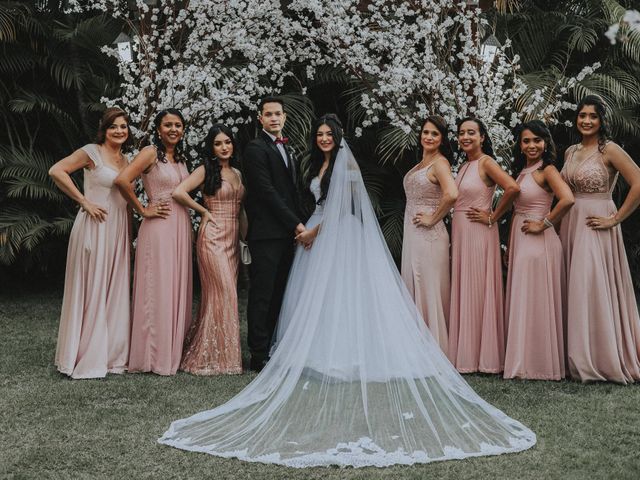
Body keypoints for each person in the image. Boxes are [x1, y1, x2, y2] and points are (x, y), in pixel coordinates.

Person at [158, 118, 536, 467]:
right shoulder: (313, 163)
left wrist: (312, 231)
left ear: (338, 138)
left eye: (329, 134)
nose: (324, 139)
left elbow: (344, 209)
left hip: (334, 235)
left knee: (340, 296)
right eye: (320, 134)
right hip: (314, 235)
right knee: (312, 299)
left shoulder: (346, 165)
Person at [560, 95, 640, 383]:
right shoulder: (570, 151)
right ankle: (574, 355)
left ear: (601, 120)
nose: (586, 121)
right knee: (574, 285)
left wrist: (615, 218)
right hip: (571, 224)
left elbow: (638, 182)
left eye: (592, 116)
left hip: (597, 223)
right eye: (582, 115)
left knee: (589, 285)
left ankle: (596, 358)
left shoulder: (610, 150)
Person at [50, 107, 132, 379]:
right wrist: (84, 201)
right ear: (104, 130)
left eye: (123, 126)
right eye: (114, 127)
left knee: (114, 288)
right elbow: (57, 170)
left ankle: (111, 354)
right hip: (96, 227)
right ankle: (85, 354)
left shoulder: (127, 159)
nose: (119, 131)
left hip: (119, 228)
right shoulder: (91, 152)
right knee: (93, 288)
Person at [114, 108, 192, 376]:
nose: (173, 129)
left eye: (178, 125)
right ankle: (152, 355)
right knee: (157, 286)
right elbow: (122, 180)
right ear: (158, 129)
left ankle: (173, 350)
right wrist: (142, 209)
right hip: (158, 225)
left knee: (175, 284)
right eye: (168, 125)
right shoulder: (150, 153)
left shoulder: (181, 158)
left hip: (181, 225)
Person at [172, 124, 246, 375]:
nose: (224, 147)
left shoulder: (237, 172)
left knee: (223, 295)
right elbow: (178, 192)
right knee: (225, 293)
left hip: (233, 239)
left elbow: (241, 208)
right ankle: (212, 357)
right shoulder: (205, 170)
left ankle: (224, 354)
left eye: (227, 142)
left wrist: (244, 239)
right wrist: (203, 211)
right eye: (218, 143)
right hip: (212, 236)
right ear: (211, 147)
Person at [503, 121, 574, 381]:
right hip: (521, 239)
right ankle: (524, 360)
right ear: (520, 145)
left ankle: (539, 364)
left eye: (537, 140)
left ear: (546, 143)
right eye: (526, 141)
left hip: (539, 241)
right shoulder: (522, 170)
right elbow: (515, 211)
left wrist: (543, 223)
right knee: (524, 298)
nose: (532, 145)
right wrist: (510, 246)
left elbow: (567, 199)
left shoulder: (548, 170)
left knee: (536, 300)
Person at [449, 117, 520, 374]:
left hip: (479, 233)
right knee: (465, 287)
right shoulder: (464, 166)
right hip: (461, 234)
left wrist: (493, 215)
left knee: (478, 289)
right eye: (461, 133)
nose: (465, 137)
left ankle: (485, 357)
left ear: (482, 137)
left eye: (471, 133)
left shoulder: (486, 163)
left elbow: (512, 188)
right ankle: (466, 354)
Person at [243, 97, 304, 372]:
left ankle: (273, 345)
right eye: (268, 114)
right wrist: (296, 224)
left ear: (285, 117)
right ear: (260, 118)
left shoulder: (288, 149)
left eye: (278, 114)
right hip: (266, 234)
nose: (274, 118)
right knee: (262, 293)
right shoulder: (255, 149)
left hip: (286, 236)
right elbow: (266, 192)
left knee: (281, 291)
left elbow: (292, 192)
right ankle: (258, 352)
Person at [401, 115, 458, 355]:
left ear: (442, 139)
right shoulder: (423, 163)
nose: (429, 137)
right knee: (414, 282)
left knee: (427, 286)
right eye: (426, 132)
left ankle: (432, 348)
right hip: (413, 233)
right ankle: (415, 346)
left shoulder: (440, 164)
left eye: (435, 134)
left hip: (429, 234)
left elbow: (452, 194)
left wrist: (433, 218)